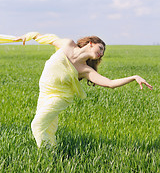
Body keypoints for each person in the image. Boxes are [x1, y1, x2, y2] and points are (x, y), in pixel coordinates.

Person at [0, 32, 153, 148]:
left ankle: (46, 155)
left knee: (37, 124)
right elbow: (44, 37)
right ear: (91, 43)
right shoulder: (67, 44)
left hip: (60, 97)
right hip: (45, 93)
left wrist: (133, 77)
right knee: (48, 127)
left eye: (103, 53)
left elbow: (110, 83)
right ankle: (52, 149)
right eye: (101, 48)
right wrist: (28, 36)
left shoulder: (85, 69)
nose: (101, 53)